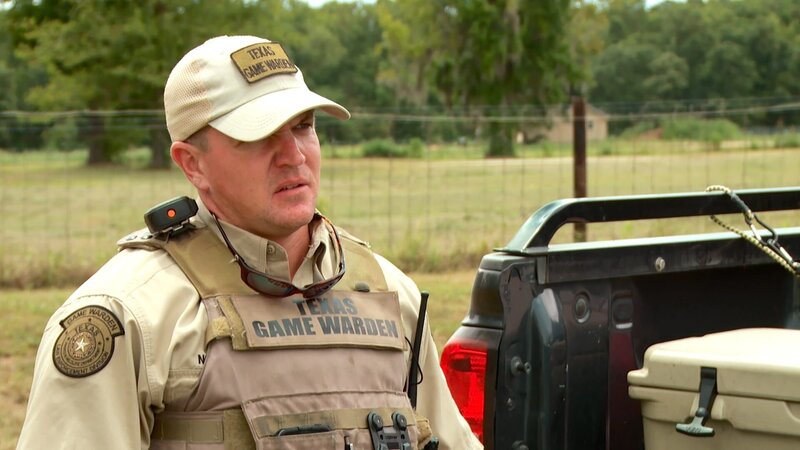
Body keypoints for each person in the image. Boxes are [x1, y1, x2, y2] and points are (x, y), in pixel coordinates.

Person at [17, 35, 482, 450]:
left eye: (304, 126)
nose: (294, 156)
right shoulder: (128, 317)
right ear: (192, 163)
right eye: (261, 135)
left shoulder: (387, 293)